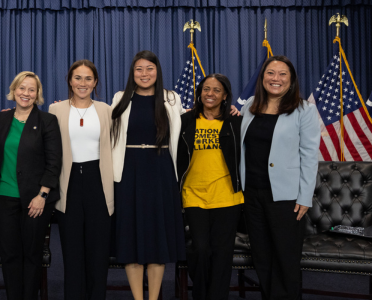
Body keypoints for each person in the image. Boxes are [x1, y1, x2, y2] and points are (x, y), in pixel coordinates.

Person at [240, 55, 320, 300]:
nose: (276, 79)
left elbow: (309, 156)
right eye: (270, 73)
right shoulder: (250, 106)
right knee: (262, 257)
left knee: (285, 257)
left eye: (282, 74)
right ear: (263, 77)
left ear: (291, 80)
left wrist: (305, 197)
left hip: (286, 197)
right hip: (251, 194)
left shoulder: (303, 110)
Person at [110, 50, 186, 300]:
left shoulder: (171, 99)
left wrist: (230, 112)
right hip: (128, 174)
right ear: (132, 73)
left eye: (149, 68)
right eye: (139, 69)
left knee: (157, 239)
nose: (144, 74)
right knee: (131, 239)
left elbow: (193, 121)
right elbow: (99, 121)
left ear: (158, 71)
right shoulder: (121, 98)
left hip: (161, 172)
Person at [0, 71, 62, 300]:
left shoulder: (47, 121)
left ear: (37, 94)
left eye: (32, 89)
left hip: (35, 200)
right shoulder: (1, 119)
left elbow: (54, 162)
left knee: (31, 255)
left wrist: (42, 194)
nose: (26, 93)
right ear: (13, 90)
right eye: (22, 88)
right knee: (9, 256)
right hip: (3, 198)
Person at [49, 60, 114, 300]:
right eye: (78, 78)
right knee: (72, 251)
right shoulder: (56, 110)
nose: (83, 83)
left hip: (99, 183)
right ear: (69, 80)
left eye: (88, 78)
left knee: (98, 253)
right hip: (69, 184)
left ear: (95, 82)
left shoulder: (106, 110)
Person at [177, 73, 243, 300]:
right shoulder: (185, 121)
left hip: (227, 196)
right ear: (199, 93)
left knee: (222, 254)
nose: (210, 94)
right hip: (193, 194)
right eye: (206, 89)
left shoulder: (236, 122)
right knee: (201, 249)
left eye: (216, 90)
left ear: (225, 95)